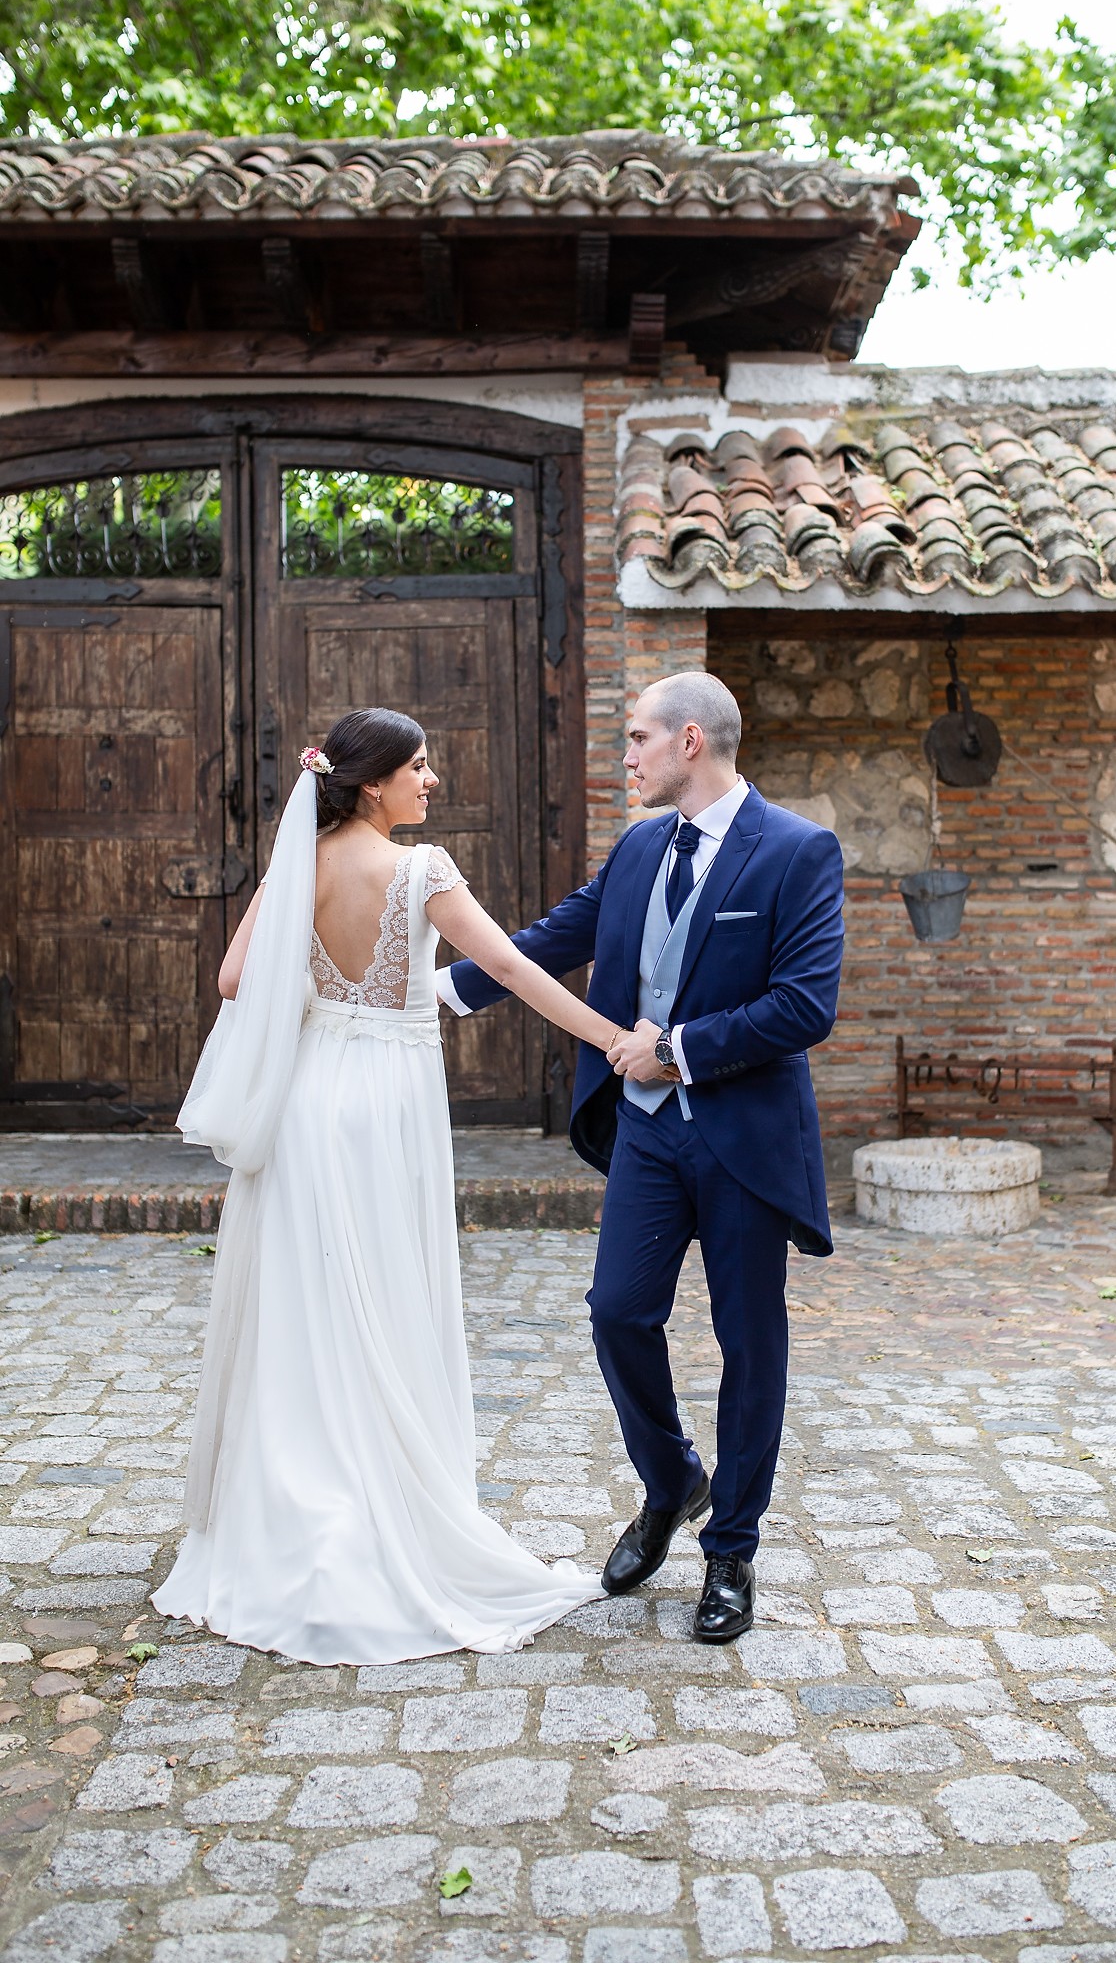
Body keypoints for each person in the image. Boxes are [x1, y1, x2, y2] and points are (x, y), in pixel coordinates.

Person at [151, 706, 628, 1665]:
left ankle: (292, 1512)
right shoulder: (422, 870)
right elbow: (503, 964)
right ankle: (384, 1516)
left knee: (310, 1303)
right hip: (384, 1106)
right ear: (373, 783)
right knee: (388, 1294)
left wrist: (319, 987)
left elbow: (235, 979)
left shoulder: (300, 863)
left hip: (307, 1100)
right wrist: (611, 1039)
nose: (432, 781)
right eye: (419, 766)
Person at [440, 672, 844, 1641]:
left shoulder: (795, 851)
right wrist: (436, 996)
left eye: (637, 738)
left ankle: (732, 1551)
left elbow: (805, 1003)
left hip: (744, 1137)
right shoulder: (634, 850)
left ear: (691, 740)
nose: (626, 755)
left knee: (750, 1344)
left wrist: (672, 1045)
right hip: (649, 1134)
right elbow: (542, 942)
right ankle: (672, 1480)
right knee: (617, 1311)